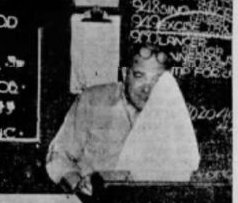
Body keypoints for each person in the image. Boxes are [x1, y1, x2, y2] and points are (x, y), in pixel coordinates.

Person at [46, 43, 200, 195]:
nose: (147, 88)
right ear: (126, 74)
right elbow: (59, 156)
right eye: (140, 76)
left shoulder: (172, 114)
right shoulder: (93, 100)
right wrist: (76, 181)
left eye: (156, 80)